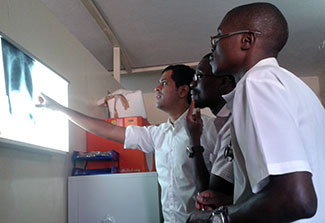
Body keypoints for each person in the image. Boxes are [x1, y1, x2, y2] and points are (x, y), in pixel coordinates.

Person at [188, 2, 325, 223]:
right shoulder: (296, 86)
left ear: (247, 40)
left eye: (219, 37)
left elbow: (297, 200)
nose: (213, 48)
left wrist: (216, 219)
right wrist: (237, 201)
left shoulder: (256, 83)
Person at [38, 64, 220, 223]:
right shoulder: (158, 134)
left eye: (164, 83)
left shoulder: (210, 129)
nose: (157, 88)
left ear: (183, 91)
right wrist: (58, 109)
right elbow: (107, 131)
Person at [185, 53, 235, 210]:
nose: (192, 84)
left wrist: (194, 141)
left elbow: (210, 193)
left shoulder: (234, 123)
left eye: (199, 76)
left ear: (223, 83)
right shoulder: (222, 123)